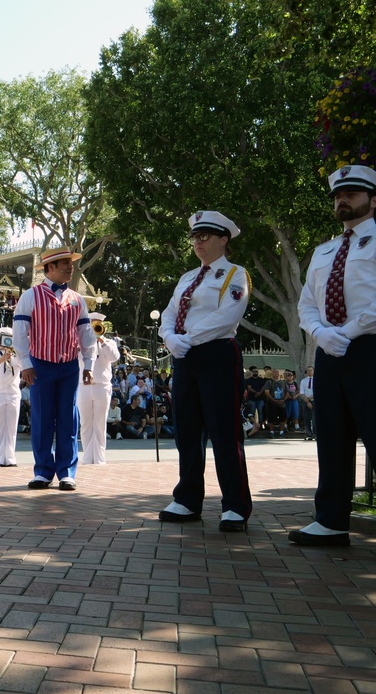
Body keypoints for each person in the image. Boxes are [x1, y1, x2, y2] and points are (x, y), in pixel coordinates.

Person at [291, 165, 376, 564]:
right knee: (331, 436)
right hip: (329, 350)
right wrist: (320, 332)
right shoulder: (324, 250)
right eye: (337, 194)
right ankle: (331, 520)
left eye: (351, 193)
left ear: (375, 200)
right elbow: (305, 304)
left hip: (370, 346)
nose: (342, 200)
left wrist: (348, 331)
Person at [158, 211, 251, 532]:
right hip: (183, 356)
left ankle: (235, 505)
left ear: (223, 239)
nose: (198, 242)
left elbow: (227, 316)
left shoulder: (235, 275)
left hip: (217, 355)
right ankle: (187, 499)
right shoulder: (187, 278)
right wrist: (170, 338)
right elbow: (169, 313)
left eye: (205, 236)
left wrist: (187, 339)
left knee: (224, 432)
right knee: (186, 431)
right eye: (195, 237)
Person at [13, 248, 95, 491]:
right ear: (49, 268)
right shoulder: (30, 296)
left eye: (70, 264)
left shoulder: (77, 299)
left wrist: (88, 364)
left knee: (68, 418)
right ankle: (43, 472)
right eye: (64, 264)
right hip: (40, 366)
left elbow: (86, 334)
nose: (70, 267)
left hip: (69, 365)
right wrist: (26, 364)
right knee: (42, 419)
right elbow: (20, 333)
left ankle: (67, 472)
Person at [79, 314, 120, 465]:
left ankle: (99, 458)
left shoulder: (109, 342)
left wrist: (101, 340)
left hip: (102, 385)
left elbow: (114, 357)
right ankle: (88, 457)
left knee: (100, 423)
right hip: (84, 385)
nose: (97, 326)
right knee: (86, 423)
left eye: (99, 324)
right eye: (94, 324)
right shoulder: (81, 341)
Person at [0, 328, 23, 467]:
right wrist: (1, 359)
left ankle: (10, 457)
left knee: (11, 427)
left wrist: (13, 355)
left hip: (13, 393)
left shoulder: (17, 355)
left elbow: (22, 366)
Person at [262, 368, 287, 438]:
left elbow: (287, 392)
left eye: (277, 372)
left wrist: (284, 400)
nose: (276, 373)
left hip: (282, 403)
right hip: (272, 403)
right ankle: (271, 432)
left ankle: (281, 432)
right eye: (274, 372)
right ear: (272, 374)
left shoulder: (283, 382)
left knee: (283, 417)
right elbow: (266, 392)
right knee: (272, 418)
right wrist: (273, 400)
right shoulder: (269, 382)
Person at [299, 365, 315, 440]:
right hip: (305, 401)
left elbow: (317, 391)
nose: (309, 372)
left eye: (311, 370)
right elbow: (302, 392)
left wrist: (310, 399)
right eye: (308, 370)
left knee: (315, 418)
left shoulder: (317, 380)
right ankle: (309, 434)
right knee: (306, 418)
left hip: (314, 400)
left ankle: (315, 434)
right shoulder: (303, 381)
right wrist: (307, 401)